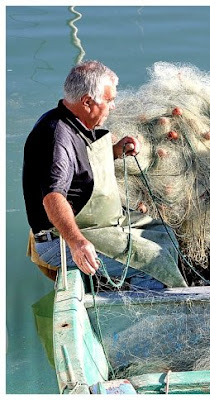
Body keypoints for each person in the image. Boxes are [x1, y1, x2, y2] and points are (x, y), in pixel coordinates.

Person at [22, 60, 186, 289]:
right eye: (109, 100)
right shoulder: (56, 137)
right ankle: (152, 316)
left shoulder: (75, 122)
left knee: (162, 234)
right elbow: (53, 197)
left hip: (98, 221)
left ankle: (126, 283)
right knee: (154, 263)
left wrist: (117, 150)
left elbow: (80, 166)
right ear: (87, 101)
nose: (113, 107)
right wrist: (77, 242)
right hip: (61, 238)